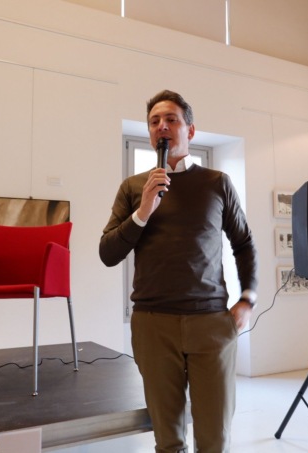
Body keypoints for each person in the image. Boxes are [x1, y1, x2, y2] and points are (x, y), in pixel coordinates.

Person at [99, 90, 258, 453]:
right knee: (167, 441)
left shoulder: (217, 183)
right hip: (153, 326)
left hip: (211, 324)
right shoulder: (133, 188)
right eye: (154, 121)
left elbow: (244, 243)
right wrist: (143, 211)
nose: (162, 126)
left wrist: (248, 298)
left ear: (190, 130)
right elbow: (108, 253)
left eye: (171, 119)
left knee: (214, 440)